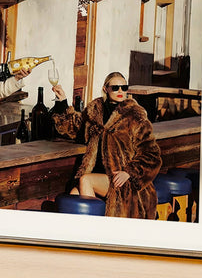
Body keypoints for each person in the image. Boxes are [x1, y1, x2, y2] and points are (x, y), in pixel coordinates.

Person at [53, 72, 161, 219]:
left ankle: (96, 234)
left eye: (124, 87)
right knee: (73, 196)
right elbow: (75, 128)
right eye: (116, 87)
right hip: (100, 177)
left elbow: (152, 154)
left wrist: (129, 172)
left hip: (123, 180)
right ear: (105, 89)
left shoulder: (135, 115)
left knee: (85, 180)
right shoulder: (95, 110)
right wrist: (63, 101)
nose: (121, 91)